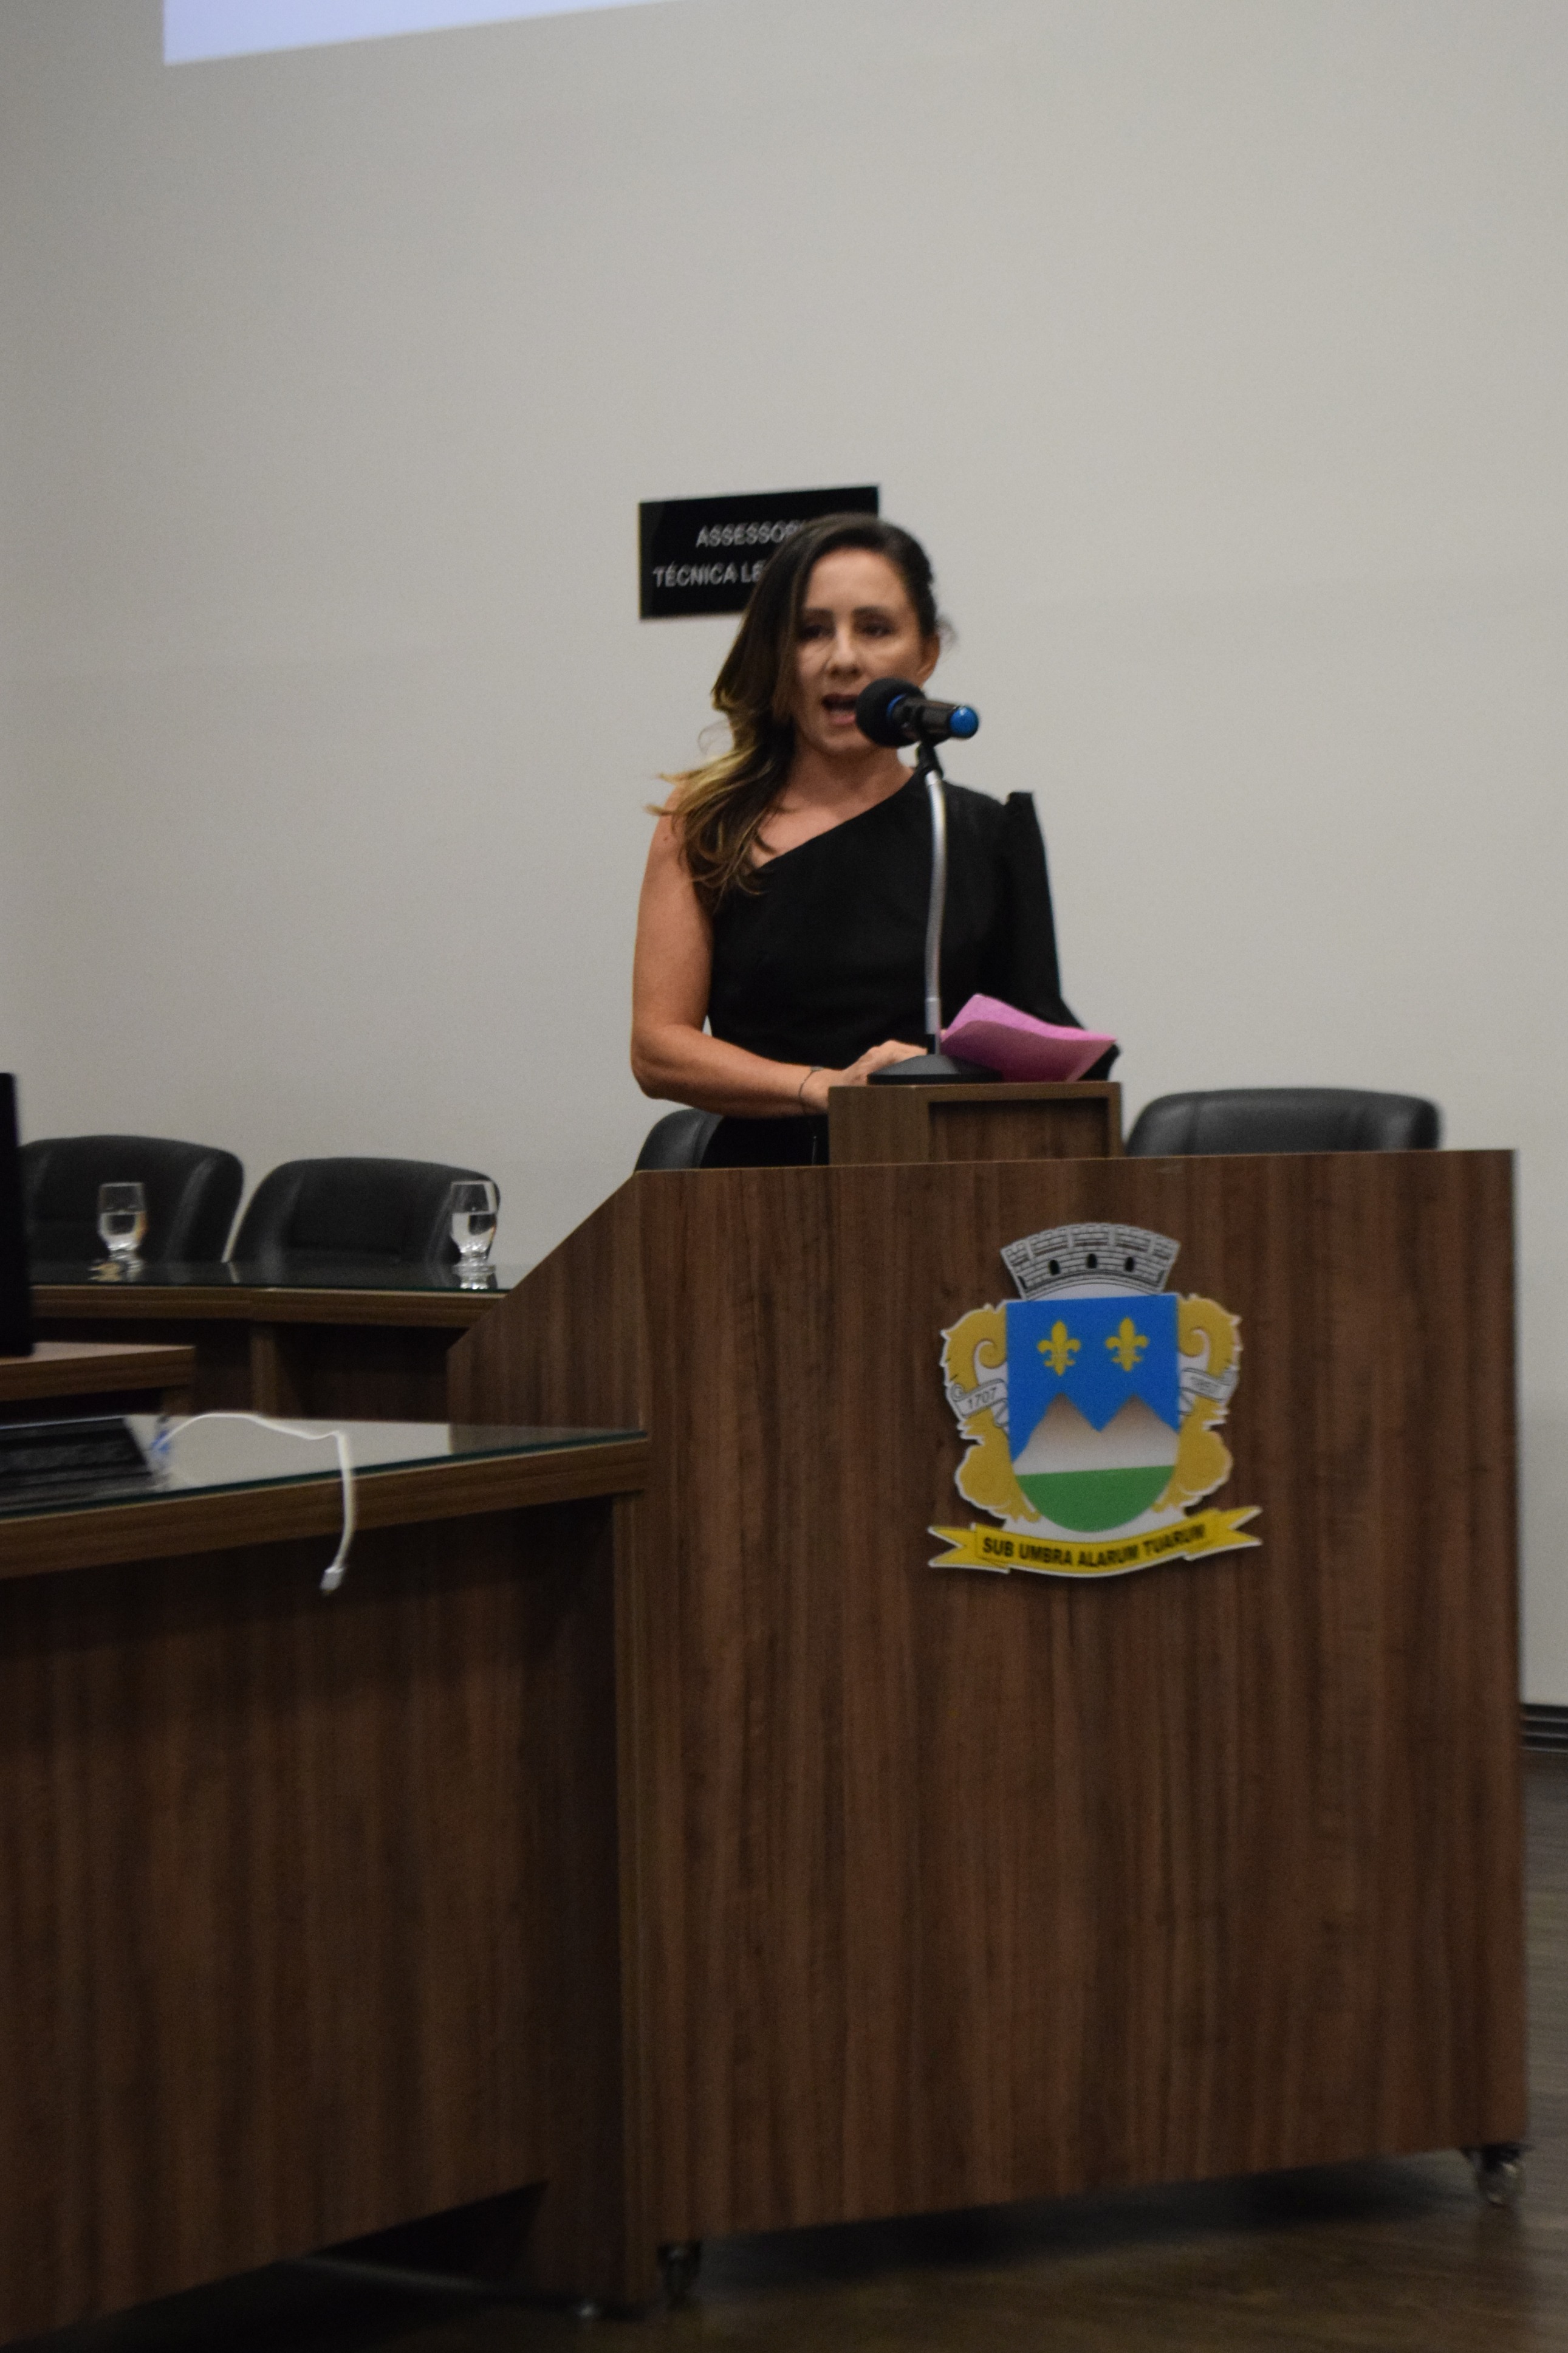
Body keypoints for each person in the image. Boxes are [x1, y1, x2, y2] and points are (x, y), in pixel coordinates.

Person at [631, 514, 1106, 1167]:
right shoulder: (708, 820)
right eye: (811, 631)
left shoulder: (979, 831)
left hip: (950, 1176)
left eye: (875, 629)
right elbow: (658, 1049)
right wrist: (827, 1089)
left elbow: (1040, 1041)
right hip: (760, 1190)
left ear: (925, 654)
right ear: (777, 653)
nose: (843, 658)